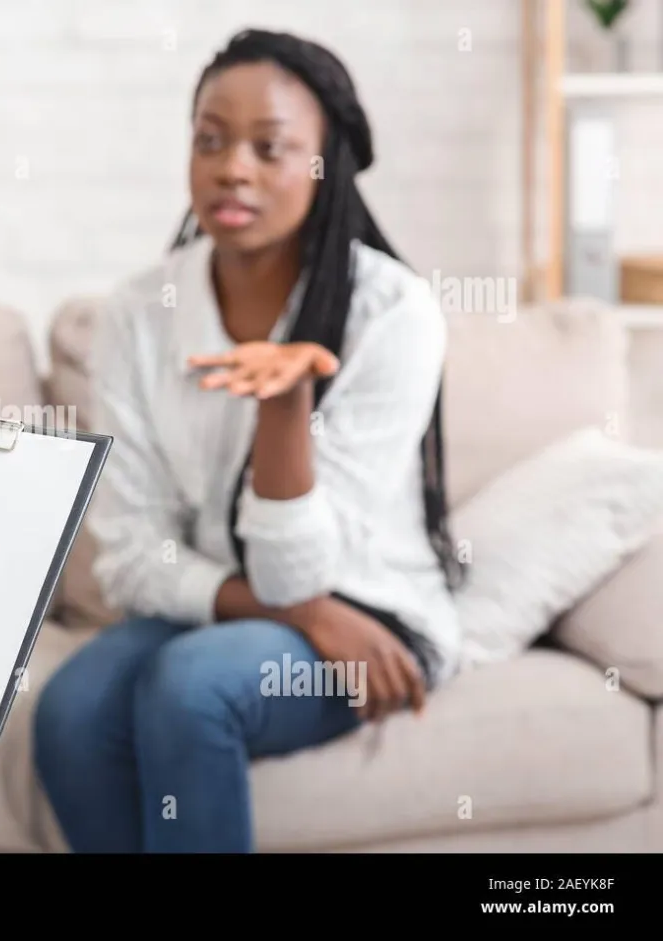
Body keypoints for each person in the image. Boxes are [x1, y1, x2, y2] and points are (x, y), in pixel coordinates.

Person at [32, 28, 466, 853]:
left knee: (193, 687)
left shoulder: (392, 314)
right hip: (226, 599)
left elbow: (299, 568)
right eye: (210, 140)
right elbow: (131, 556)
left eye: (270, 148)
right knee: (73, 705)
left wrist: (285, 404)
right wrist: (302, 615)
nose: (232, 167)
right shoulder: (133, 314)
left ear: (323, 162)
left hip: (371, 611)